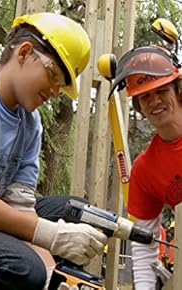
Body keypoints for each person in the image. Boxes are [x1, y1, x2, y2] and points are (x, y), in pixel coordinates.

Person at [0, 12, 108, 290]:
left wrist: (52, 274)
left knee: (77, 212)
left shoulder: (31, 125)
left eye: (62, 85)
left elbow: (20, 206)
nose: (55, 90)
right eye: (53, 75)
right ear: (25, 52)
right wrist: (51, 236)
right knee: (21, 269)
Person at [109, 45, 182, 289]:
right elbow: (144, 245)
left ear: (178, 90)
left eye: (161, 91)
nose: (154, 102)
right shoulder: (145, 170)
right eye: (145, 96)